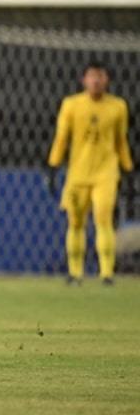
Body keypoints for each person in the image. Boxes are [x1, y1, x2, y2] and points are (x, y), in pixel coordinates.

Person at [46, 61, 134, 286]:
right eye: (92, 77)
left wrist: (128, 170)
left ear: (107, 80)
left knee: (104, 220)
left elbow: (121, 142)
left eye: (100, 76)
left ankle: (107, 274)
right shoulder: (72, 105)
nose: (96, 81)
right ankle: (75, 273)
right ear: (84, 80)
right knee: (75, 223)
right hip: (78, 175)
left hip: (106, 174)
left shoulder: (118, 107)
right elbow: (61, 139)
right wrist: (53, 167)